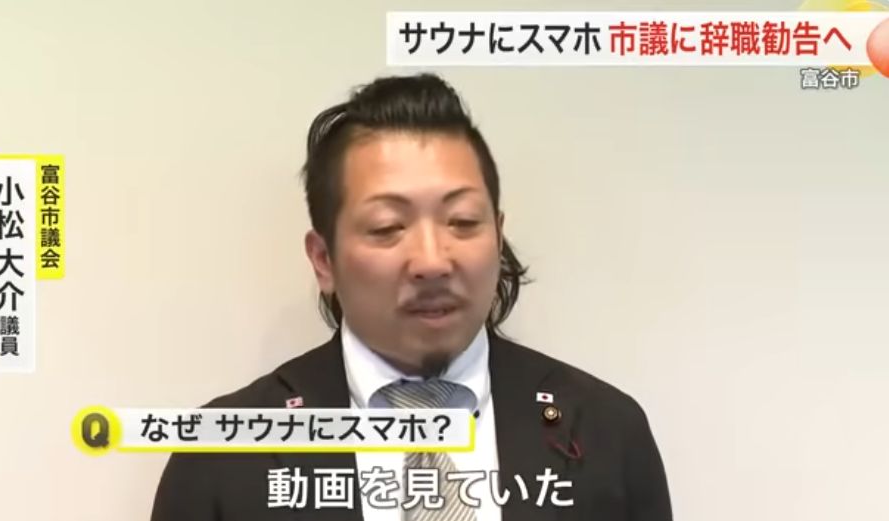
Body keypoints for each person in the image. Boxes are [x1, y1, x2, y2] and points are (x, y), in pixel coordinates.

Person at [151, 73, 672, 521]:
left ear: (498, 235)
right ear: (324, 259)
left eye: (462, 221)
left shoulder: (608, 430)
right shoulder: (219, 456)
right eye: (387, 227)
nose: (432, 261)